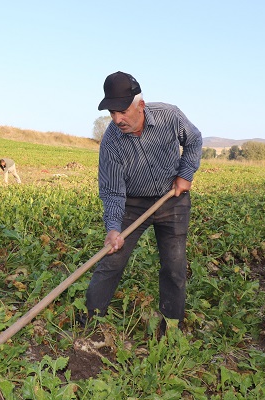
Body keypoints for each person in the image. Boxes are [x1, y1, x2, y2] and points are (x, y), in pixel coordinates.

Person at [82, 71, 202, 335]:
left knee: (174, 265)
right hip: (133, 204)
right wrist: (113, 228)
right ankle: (91, 321)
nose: (117, 119)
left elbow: (194, 141)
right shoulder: (112, 142)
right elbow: (112, 191)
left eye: (122, 111)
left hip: (172, 199)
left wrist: (185, 174)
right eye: (112, 112)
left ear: (141, 105)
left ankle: (171, 327)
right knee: (111, 260)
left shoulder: (170, 116)